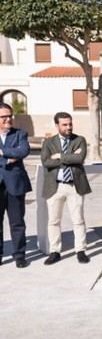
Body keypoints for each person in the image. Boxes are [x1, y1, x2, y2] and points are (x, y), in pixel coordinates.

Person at [40, 112, 91, 264]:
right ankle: (55, 251)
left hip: (74, 186)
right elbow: (46, 162)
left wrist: (59, 156)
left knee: (78, 220)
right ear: (57, 125)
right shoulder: (48, 142)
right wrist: (70, 157)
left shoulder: (79, 140)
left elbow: (80, 158)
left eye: (70, 124)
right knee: (54, 221)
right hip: (55, 186)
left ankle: (80, 250)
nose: (69, 127)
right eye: (65, 124)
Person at [0, 103, 31, 268]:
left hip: (15, 184)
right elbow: (16, 154)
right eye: (3, 116)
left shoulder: (20, 134)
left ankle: (19, 255)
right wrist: (8, 160)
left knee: (17, 222)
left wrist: (2, 152)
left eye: (9, 115)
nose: (8, 119)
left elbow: (23, 151)